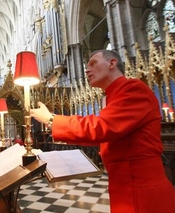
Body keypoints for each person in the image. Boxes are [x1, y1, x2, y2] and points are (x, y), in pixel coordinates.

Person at [30, 50, 175, 213]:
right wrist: (53, 121)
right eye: (86, 66)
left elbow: (102, 127)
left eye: (93, 63)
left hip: (143, 192)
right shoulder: (112, 96)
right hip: (124, 187)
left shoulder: (134, 89)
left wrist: (52, 119)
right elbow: (100, 135)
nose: (86, 70)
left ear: (112, 63)